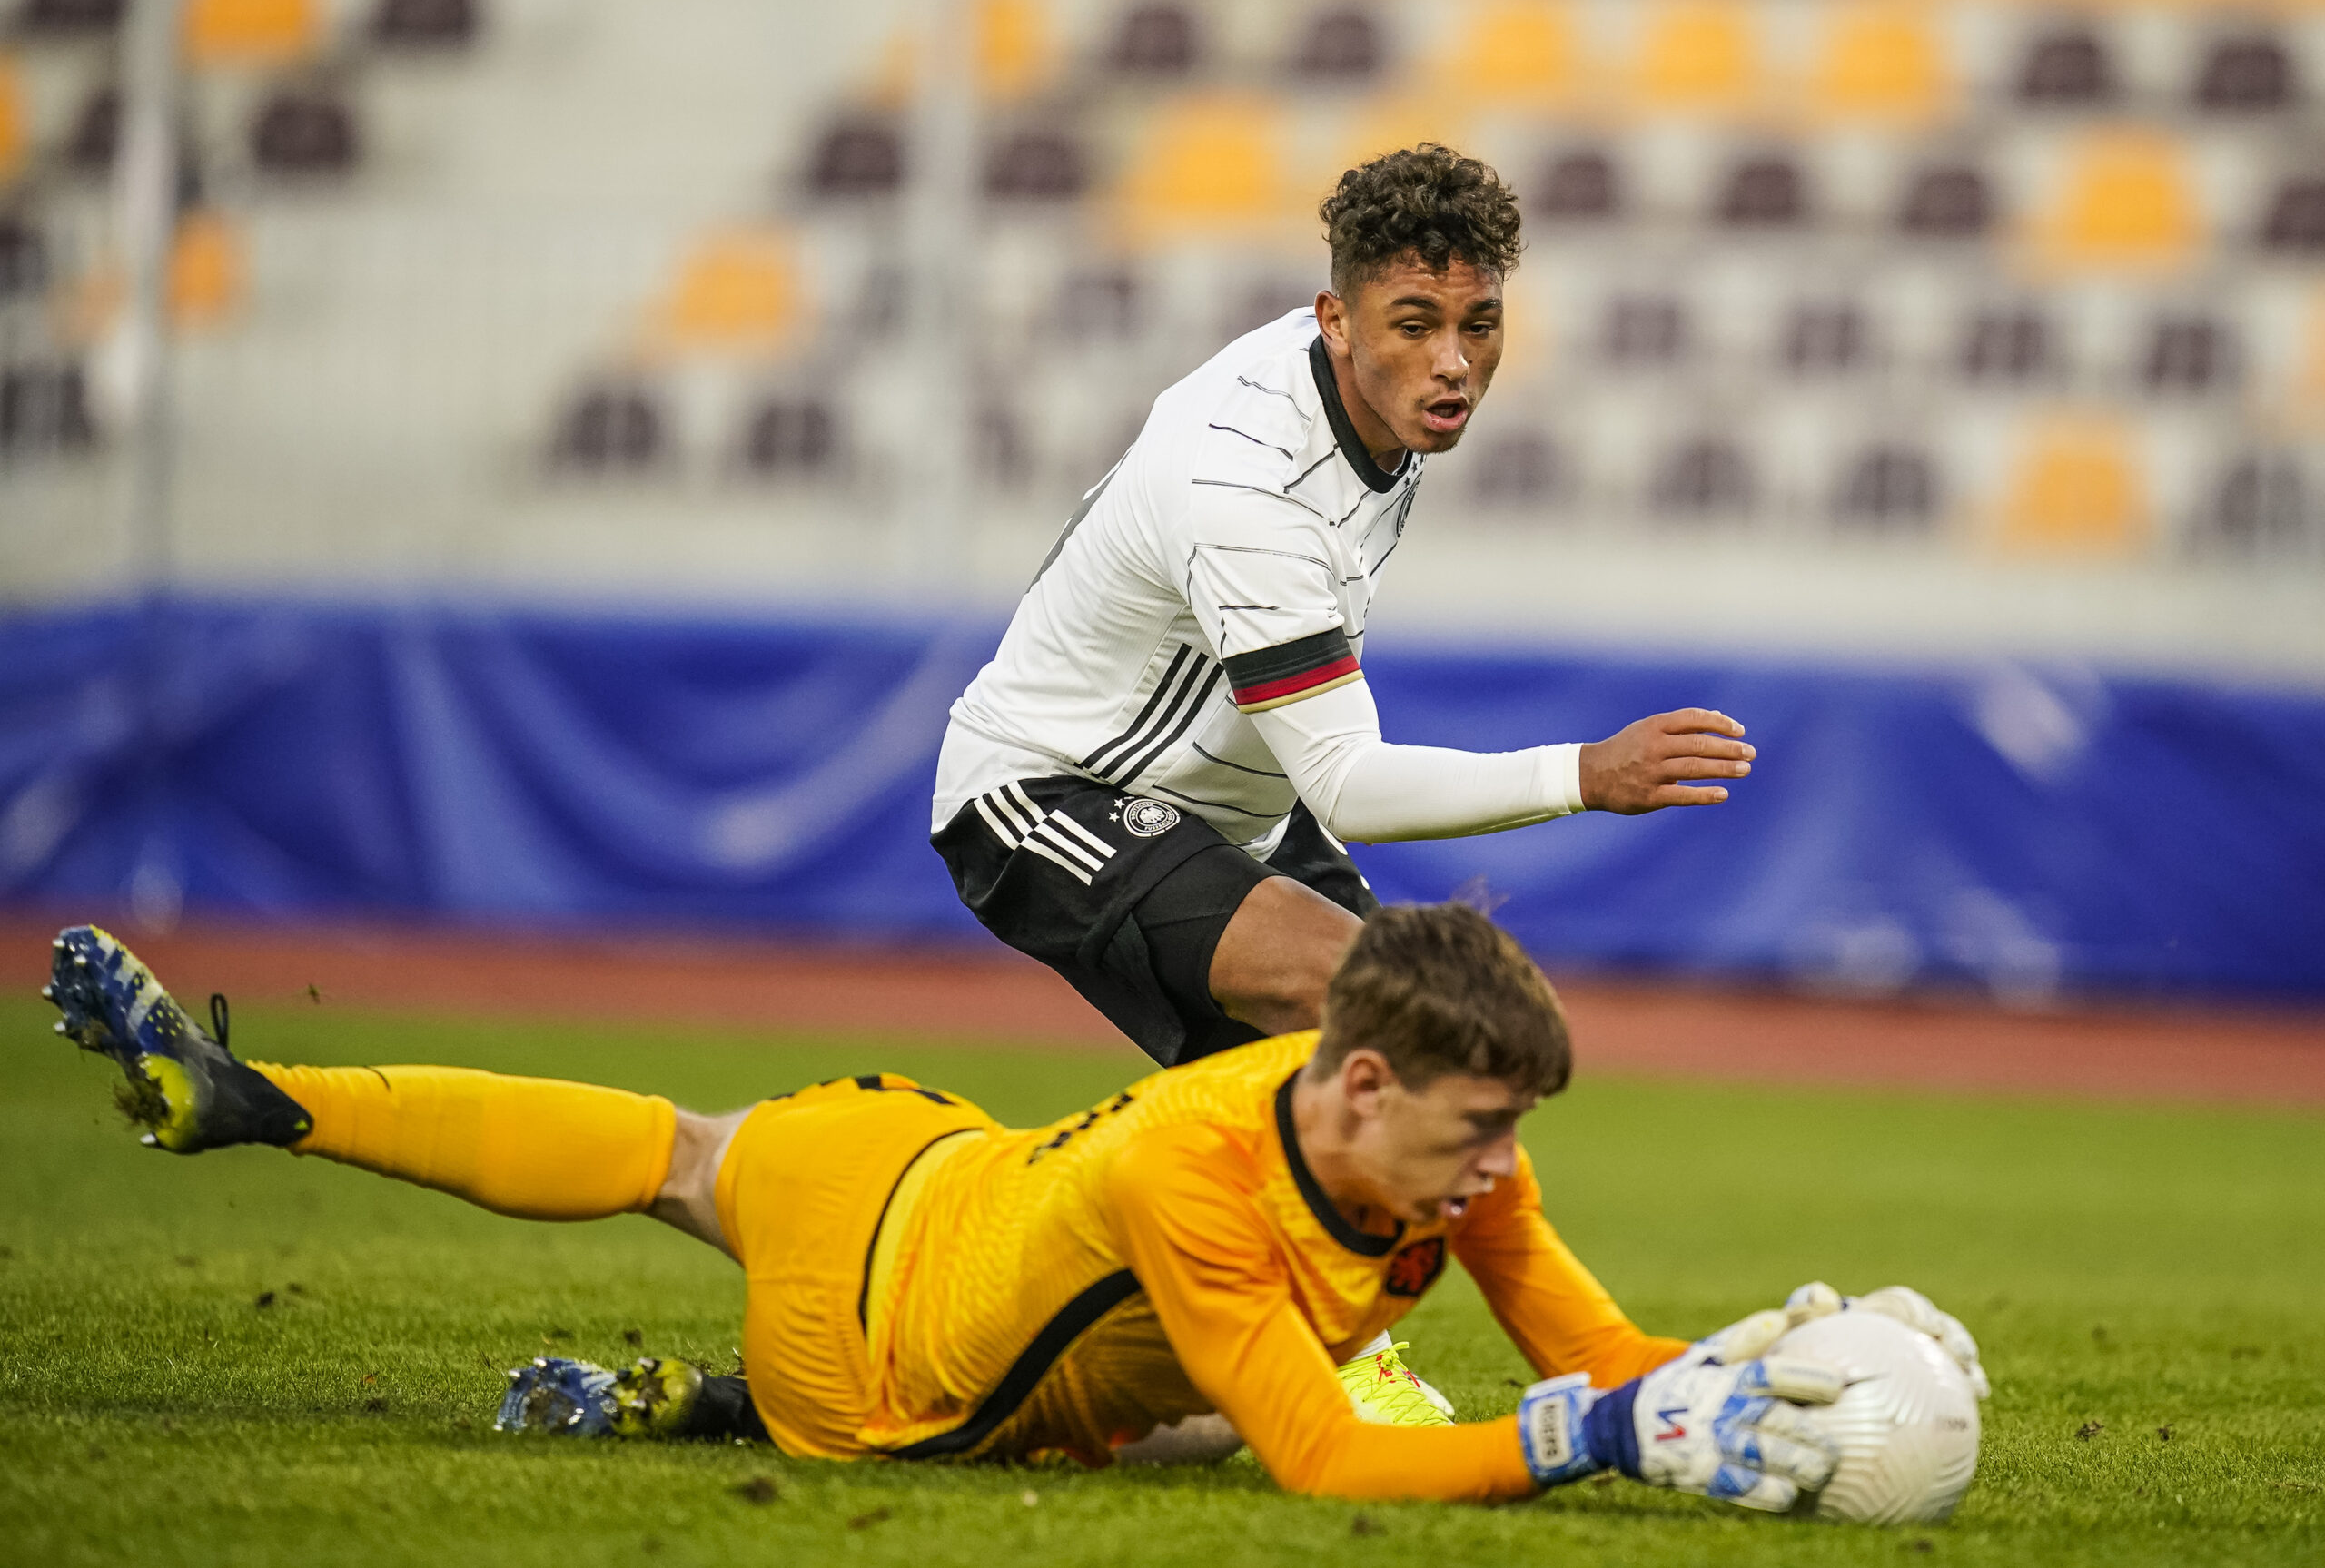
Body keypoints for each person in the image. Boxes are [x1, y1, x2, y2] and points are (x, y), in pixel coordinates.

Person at [41, 917, 1981, 1505]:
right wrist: (1608, 1436)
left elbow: (1587, 1341)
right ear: (1362, 1082)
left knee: (677, 1147)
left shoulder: (1423, 1142)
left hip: (915, 1159)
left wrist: (1746, 1359)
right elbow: (1327, 1466)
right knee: (1235, 1420)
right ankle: (720, 1404)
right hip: (873, 1360)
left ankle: (258, 1096)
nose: (1497, 1173)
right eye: (1474, 1132)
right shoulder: (1210, 1174)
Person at [932, 143, 1759, 1415]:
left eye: (1481, 325)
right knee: (1350, 1001)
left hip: (1230, 797)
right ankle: (1350, 1350)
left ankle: (1571, 1358)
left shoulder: (1375, 403)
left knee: (1438, 1035)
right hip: (1047, 792)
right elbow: (1355, 785)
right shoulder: (1243, 476)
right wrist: (1584, 773)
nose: (1454, 362)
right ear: (1336, 317)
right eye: (1414, 325)